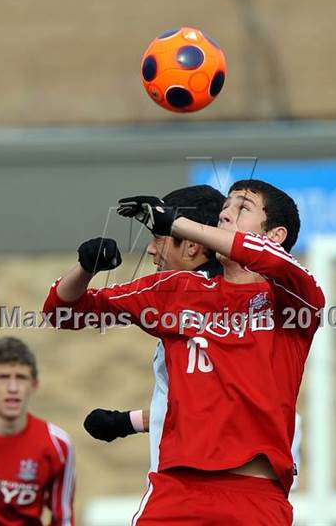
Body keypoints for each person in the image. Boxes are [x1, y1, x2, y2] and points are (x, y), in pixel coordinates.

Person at [43, 179, 325, 525]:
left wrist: (175, 223)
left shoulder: (294, 298)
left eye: (242, 208)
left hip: (256, 499)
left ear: (276, 235)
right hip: (177, 492)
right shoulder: (178, 289)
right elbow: (61, 312)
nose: (226, 214)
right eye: (224, 209)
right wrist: (85, 268)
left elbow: (267, 259)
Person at [83, 184, 302, 491]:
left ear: (192, 245)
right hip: (182, 482)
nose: (150, 248)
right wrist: (129, 422)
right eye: (225, 208)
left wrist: (175, 222)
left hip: (243, 484)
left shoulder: (285, 298)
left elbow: (233, 404)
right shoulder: (173, 303)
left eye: (159, 236)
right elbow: (198, 408)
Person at [0, 336, 75, 525]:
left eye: (21, 378)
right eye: (3, 377)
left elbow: (63, 518)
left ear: (34, 385)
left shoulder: (57, 444)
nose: (13, 388)